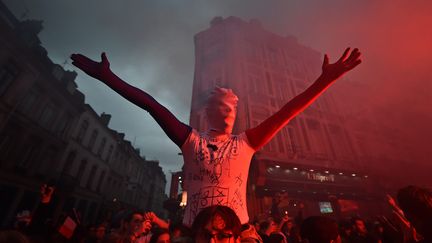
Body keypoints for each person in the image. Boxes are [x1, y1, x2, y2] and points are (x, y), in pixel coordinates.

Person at [71, 47, 361, 226]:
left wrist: (326, 79)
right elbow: (151, 105)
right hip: (194, 232)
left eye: (232, 109)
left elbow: (288, 111)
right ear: (208, 111)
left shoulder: (245, 142)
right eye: (221, 107)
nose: (228, 114)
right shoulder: (190, 140)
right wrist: (108, 78)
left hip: (239, 233)